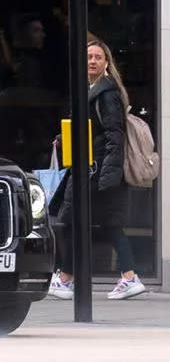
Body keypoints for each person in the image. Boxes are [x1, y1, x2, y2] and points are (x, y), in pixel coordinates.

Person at [48, 39, 146, 300]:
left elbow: (115, 135)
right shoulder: (93, 90)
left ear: (106, 63)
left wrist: (108, 176)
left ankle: (68, 279)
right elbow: (94, 130)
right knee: (99, 224)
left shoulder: (106, 93)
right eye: (88, 57)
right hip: (92, 169)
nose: (92, 61)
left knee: (72, 222)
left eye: (97, 57)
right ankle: (126, 277)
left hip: (96, 171)